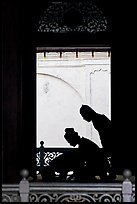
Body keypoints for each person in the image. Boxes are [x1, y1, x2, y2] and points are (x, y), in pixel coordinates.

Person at [79, 104, 116, 180]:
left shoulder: (97, 120)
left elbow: (104, 135)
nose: (84, 118)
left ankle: (109, 173)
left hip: (110, 143)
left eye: (83, 116)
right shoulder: (98, 118)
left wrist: (106, 146)